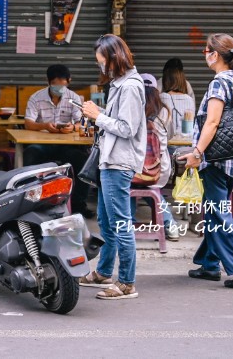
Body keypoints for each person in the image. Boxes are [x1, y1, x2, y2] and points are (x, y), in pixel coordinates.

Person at [179, 33, 233, 289]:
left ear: (215, 55)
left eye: (206, 51)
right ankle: (209, 264)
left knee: (216, 211)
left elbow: (213, 122)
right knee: (214, 211)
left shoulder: (218, 83)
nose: (204, 55)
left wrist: (197, 153)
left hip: (215, 160)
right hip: (232, 158)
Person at [79, 34, 145, 300]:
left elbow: (127, 128)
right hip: (110, 159)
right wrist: (99, 115)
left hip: (119, 162)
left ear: (114, 58)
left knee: (120, 224)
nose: (101, 67)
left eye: (102, 61)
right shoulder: (120, 84)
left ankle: (127, 282)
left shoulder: (130, 86)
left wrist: (99, 116)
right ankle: (104, 271)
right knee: (106, 220)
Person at [23, 64, 92, 218]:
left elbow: (82, 123)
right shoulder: (36, 98)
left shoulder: (73, 98)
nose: (59, 88)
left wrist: (73, 127)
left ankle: (78, 205)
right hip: (42, 146)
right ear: (48, 82)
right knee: (30, 154)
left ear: (69, 81)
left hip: (67, 146)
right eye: (55, 84)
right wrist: (45, 126)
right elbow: (28, 123)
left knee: (83, 161)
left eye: (63, 84)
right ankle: (32, 203)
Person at [132, 74, 180, 242]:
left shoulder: (132, 109)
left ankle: (128, 223)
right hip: (159, 167)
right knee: (151, 189)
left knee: (127, 185)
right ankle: (170, 226)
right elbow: (172, 134)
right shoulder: (165, 111)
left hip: (136, 168)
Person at [159, 58, 196, 139]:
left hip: (165, 145)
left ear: (165, 80)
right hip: (184, 145)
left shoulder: (160, 98)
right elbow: (188, 131)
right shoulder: (189, 100)